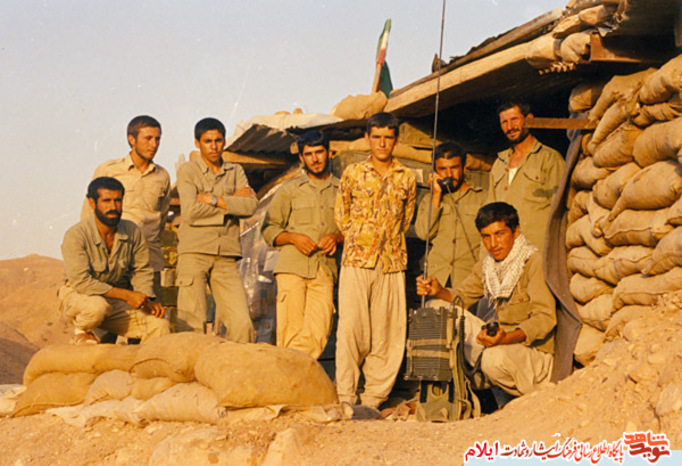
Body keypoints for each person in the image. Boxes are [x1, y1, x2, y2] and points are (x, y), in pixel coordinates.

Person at [417, 202, 556, 397]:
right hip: (500, 344)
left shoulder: (533, 262)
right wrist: (438, 291)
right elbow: (462, 297)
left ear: (516, 232)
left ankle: (523, 401)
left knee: (493, 359)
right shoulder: (488, 266)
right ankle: (439, 394)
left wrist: (506, 338)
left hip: (532, 353)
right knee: (436, 307)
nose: (493, 244)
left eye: (500, 234)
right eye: (486, 236)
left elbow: (544, 319)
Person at [334, 112, 417, 408]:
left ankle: (372, 399)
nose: (382, 143)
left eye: (388, 138)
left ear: (395, 140)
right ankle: (346, 395)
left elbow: (406, 219)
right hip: (357, 260)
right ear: (368, 139)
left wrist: (387, 242)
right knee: (351, 331)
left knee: (387, 334)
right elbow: (341, 215)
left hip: (391, 262)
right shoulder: (353, 173)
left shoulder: (406, 177)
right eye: (377, 137)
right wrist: (362, 238)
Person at [59, 177, 170, 345]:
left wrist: (144, 300)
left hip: (115, 302)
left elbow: (142, 270)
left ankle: (144, 361)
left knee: (159, 325)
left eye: (117, 200)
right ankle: (81, 331)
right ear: (92, 203)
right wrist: (127, 296)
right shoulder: (76, 235)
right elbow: (81, 282)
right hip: (82, 298)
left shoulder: (132, 231)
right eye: (106, 201)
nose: (113, 207)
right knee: (97, 308)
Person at [261, 130, 343, 359]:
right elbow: (268, 229)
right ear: (301, 158)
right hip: (291, 268)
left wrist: (336, 238)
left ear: (329, 153)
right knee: (290, 332)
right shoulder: (290, 190)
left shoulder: (342, 190)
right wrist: (293, 238)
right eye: (309, 154)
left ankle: (282, 367)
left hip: (324, 269)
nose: (315, 159)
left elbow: (353, 230)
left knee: (319, 333)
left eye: (319, 152)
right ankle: (289, 374)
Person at [175, 117, 257, 341]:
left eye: (218, 140)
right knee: (192, 325)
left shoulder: (235, 170)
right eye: (207, 141)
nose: (214, 146)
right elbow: (191, 212)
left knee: (242, 324)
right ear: (197, 143)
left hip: (226, 255)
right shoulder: (188, 171)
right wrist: (232, 203)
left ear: (224, 142)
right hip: (194, 252)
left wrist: (214, 199)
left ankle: (238, 365)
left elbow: (250, 205)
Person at [81, 115, 171, 297]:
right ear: (132, 139)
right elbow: (88, 214)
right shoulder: (109, 170)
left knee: (150, 310)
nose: (154, 144)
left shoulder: (162, 176)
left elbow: (161, 217)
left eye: (157, 139)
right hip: (114, 259)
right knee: (108, 310)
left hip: (148, 260)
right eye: (148, 138)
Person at [488, 102, 565, 251]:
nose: (510, 127)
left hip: (536, 249)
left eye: (514, 119)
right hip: (504, 251)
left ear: (529, 119)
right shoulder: (499, 163)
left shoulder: (549, 158)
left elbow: (560, 211)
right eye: (504, 122)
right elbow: (489, 214)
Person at [415, 141, 486, 289]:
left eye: (454, 168)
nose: (448, 174)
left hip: (469, 279)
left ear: (464, 168)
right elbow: (423, 234)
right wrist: (436, 195)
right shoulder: (430, 199)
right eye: (442, 169)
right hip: (438, 278)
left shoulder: (482, 198)